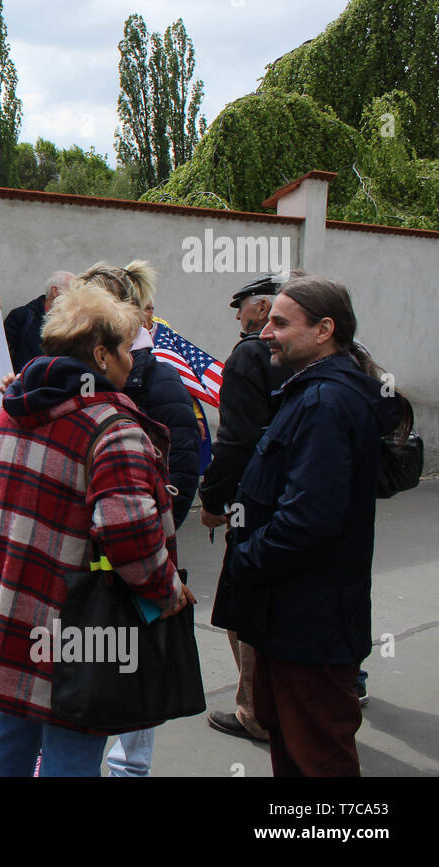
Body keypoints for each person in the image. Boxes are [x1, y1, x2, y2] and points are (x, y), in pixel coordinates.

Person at [0, 280, 194, 777]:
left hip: (14, 605)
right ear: (100, 355)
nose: (133, 360)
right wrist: (165, 588)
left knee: (8, 726)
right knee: (73, 740)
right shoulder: (111, 429)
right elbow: (130, 537)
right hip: (80, 626)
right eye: (125, 349)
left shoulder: (4, 418)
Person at [210, 276, 403, 776]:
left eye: (280, 322)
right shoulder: (309, 393)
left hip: (309, 625)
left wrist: (245, 559)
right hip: (289, 620)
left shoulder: (325, 403)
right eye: (268, 319)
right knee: (292, 749)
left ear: (324, 330)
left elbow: (308, 520)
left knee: (319, 757)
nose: (266, 332)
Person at [80, 261, 200, 777]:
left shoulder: (154, 376)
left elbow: (186, 458)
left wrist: (153, 515)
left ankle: (129, 768)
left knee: (134, 652)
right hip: (84, 551)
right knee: (84, 660)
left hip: (134, 547)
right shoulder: (72, 375)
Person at [199, 274, 292, 742]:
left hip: (257, 502)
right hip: (306, 502)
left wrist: (213, 500)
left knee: (243, 606)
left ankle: (254, 710)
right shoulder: (339, 356)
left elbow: (236, 440)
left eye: (244, 309)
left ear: (262, 309)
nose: (239, 317)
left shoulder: (251, 355)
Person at [3, 271, 73, 372]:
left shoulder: (74, 323)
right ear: (55, 291)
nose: (77, 296)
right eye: (73, 290)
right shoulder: (22, 316)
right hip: (27, 384)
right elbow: (0, 351)